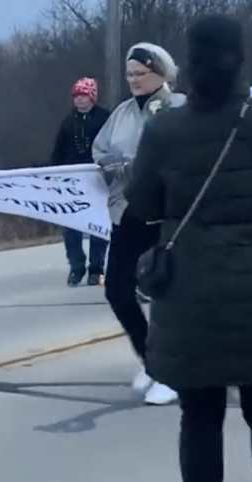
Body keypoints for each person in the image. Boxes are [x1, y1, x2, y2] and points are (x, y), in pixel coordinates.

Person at [127, 14, 252, 482]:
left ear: (188, 63)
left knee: (199, 415)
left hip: (192, 292)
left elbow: (143, 201)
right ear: (240, 61)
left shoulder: (165, 130)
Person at [92, 41, 184, 406]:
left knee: (166, 295)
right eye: (129, 74)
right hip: (127, 211)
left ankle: (172, 371)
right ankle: (151, 359)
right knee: (117, 289)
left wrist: (141, 166)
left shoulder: (178, 108)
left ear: (160, 73)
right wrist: (114, 165)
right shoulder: (123, 112)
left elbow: (182, 153)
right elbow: (101, 150)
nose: (133, 80)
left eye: (140, 74)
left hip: (168, 215)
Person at [50, 78, 112, 286]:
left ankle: (97, 269)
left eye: (83, 96)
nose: (79, 101)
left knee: (97, 226)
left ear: (92, 97)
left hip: (98, 180)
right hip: (73, 182)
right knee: (71, 227)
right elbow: (58, 153)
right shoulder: (69, 122)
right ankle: (76, 267)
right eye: (76, 97)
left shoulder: (106, 119)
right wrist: (55, 176)